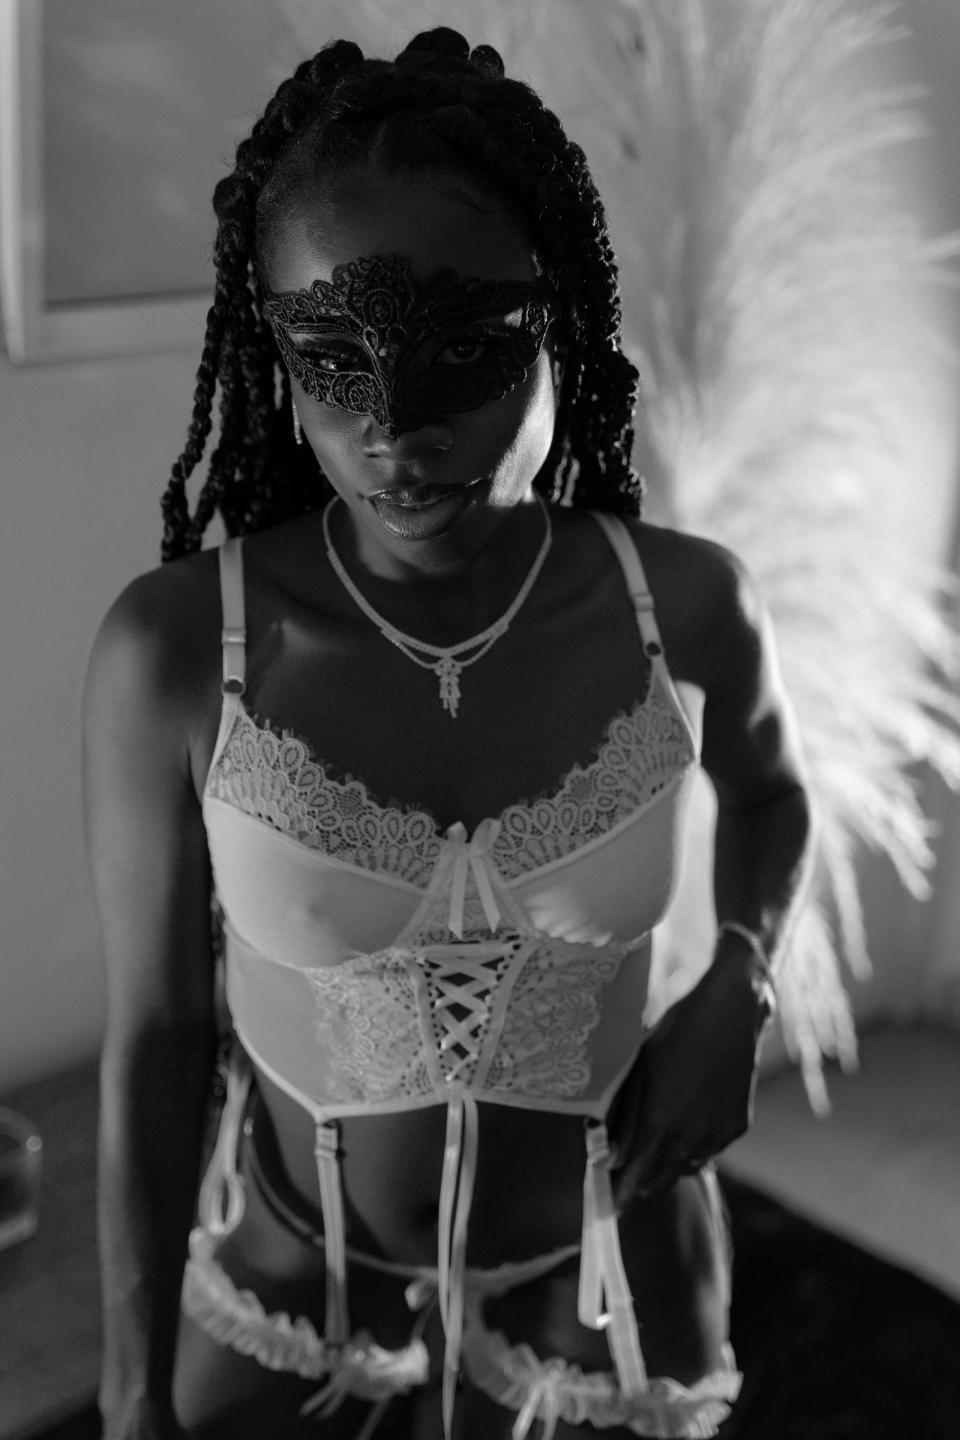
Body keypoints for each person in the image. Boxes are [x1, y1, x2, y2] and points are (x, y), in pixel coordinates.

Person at [83, 27, 813, 1440]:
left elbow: (775, 795)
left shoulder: (687, 607)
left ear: (564, 325)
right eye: (332, 358)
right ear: (274, 351)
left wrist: (744, 969)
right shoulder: (177, 652)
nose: (396, 434)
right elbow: (159, 1037)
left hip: (606, 1267)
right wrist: (128, 1396)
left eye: (467, 351)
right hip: (295, 1269)